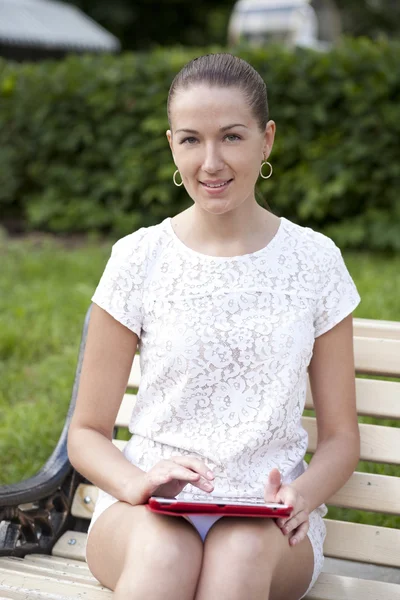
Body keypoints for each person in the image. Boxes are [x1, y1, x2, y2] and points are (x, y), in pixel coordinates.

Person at [67, 53, 361, 600]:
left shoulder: (316, 262)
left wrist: (301, 494)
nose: (210, 162)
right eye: (190, 140)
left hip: (268, 519)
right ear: (171, 145)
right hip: (146, 510)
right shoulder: (137, 258)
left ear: (266, 140)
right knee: (164, 555)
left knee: (238, 556)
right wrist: (139, 484)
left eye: (231, 137)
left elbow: (343, 438)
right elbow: (86, 433)